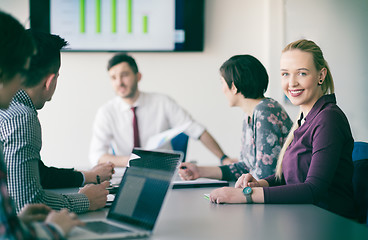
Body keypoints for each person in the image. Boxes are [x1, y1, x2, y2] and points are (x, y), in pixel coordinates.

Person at [209, 39, 355, 219]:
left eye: (302, 73)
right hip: (301, 217)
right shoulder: (304, 118)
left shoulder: (328, 118)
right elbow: (287, 178)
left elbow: (313, 189)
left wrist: (245, 195)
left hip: (328, 223)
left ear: (321, 75)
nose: (292, 83)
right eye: (285, 74)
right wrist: (259, 184)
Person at [0, 30, 110, 214]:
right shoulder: (20, 117)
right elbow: (26, 204)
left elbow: (37, 174)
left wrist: (85, 176)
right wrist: (85, 200)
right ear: (50, 81)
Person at [0, 10, 82, 239]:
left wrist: (15, 220)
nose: (22, 80)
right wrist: (56, 228)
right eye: (21, 69)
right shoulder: (19, 117)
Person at [89, 53, 237, 167]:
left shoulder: (162, 102)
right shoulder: (106, 112)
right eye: (113, 77)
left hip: (162, 170)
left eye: (124, 75)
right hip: (127, 173)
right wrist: (133, 161)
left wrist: (223, 158)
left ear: (138, 76)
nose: (119, 82)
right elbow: (97, 155)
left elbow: (196, 130)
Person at [179, 55, 292, 181]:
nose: (222, 90)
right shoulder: (250, 114)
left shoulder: (265, 111)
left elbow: (265, 176)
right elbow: (245, 168)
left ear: (233, 87)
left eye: (223, 83)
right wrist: (199, 171)